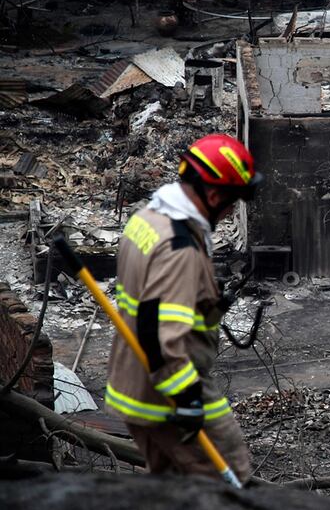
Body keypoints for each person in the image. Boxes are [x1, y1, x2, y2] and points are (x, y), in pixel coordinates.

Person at [105, 134, 262, 481]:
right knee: (227, 478)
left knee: (170, 488)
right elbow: (163, 336)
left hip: (136, 383)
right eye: (232, 202)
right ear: (214, 195)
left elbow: (148, 308)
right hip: (170, 396)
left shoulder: (146, 220)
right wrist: (188, 402)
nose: (231, 211)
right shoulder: (180, 249)